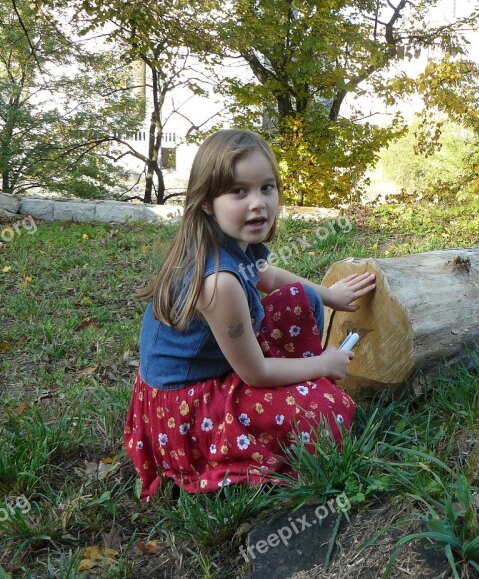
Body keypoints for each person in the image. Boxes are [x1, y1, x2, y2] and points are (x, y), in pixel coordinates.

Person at [124, 129, 376, 500]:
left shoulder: (233, 241)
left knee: (299, 297)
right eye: (238, 191)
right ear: (207, 201)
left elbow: (270, 277)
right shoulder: (219, 283)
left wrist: (328, 295)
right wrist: (324, 364)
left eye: (266, 188)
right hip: (186, 411)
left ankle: (298, 383)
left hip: (221, 369)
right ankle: (233, 445)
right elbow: (255, 372)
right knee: (331, 411)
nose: (257, 203)